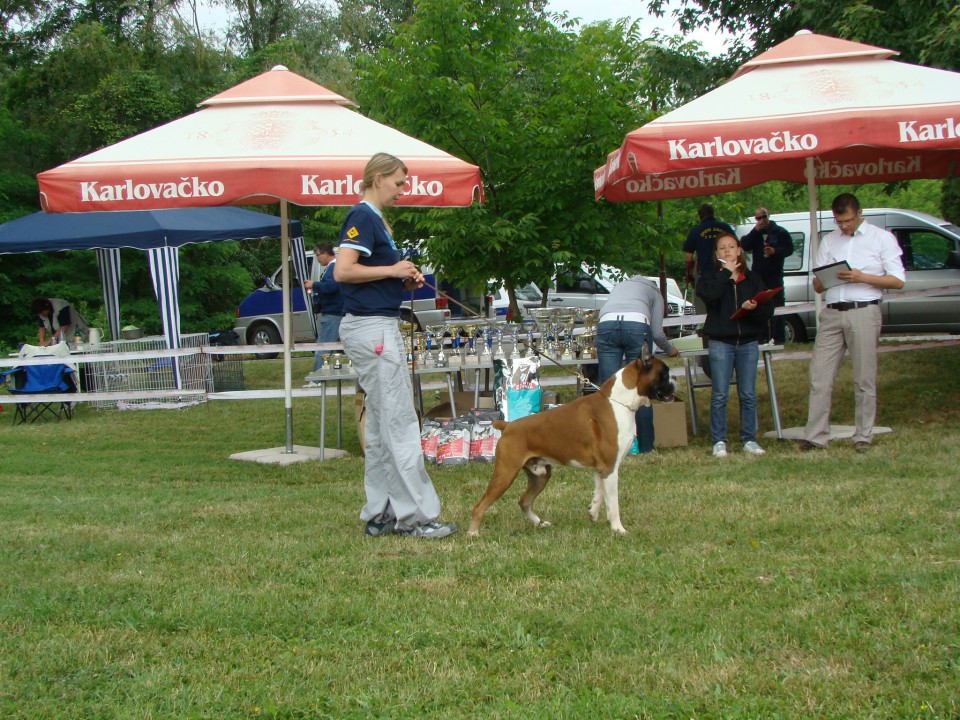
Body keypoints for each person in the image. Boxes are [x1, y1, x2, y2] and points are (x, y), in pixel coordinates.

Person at [333, 152, 456, 539]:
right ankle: (416, 517)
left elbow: (364, 275)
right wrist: (393, 269)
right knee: (400, 422)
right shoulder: (362, 216)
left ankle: (381, 512)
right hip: (373, 330)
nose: (403, 190)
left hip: (375, 324)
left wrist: (396, 282)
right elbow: (343, 270)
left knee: (382, 425)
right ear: (379, 177)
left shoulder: (375, 221)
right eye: (400, 182)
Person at [798, 193, 905, 453]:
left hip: (864, 309)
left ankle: (863, 435)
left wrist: (861, 277)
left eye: (846, 220)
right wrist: (825, 278)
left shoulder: (881, 238)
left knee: (864, 377)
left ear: (858, 213)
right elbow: (817, 284)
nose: (842, 226)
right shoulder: (829, 240)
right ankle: (815, 436)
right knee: (819, 376)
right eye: (838, 221)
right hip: (833, 310)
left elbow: (897, 280)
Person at [696, 233, 772, 458]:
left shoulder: (753, 278)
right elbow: (709, 296)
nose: (727, 251)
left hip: (748, 341)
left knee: (747, 393)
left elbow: (768, 310)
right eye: (722, 248)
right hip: (721, 341)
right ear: (716, 254)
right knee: (720, 393)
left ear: (740, 250)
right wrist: (726, 273)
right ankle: (719, 440)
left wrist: (754, 308)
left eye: (731, 247)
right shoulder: (710, 277)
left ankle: (749, 438)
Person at [596, 276, 680, 453]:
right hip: (637, 327)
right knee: (643, 388)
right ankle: (645, 447)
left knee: (607, 389)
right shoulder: (656, 294)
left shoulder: (619, 286)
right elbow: (657, 332)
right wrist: (669, 348)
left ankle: (607, 446)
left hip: (606, 325)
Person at [739, 206, 794, 344]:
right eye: (758, 218)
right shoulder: (755, 233)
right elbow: (744, 246)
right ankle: (761, 337)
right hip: (758, 276)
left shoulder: (780, 232)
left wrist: (775, 251)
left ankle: (779, 337)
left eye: (764, 217)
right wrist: (754, 231)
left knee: (778, 306)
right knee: (759, 306)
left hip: (774, 275)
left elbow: (789, 249)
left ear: (768, 216)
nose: (762, 220)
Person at [304, 242, 343, 375]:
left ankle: (316, 377)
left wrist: (314, 284)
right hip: (336, 311)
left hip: (332, 312)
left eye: (318, 255)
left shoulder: (333, 268)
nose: (317, 258)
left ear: (326, 253)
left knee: (323, 346)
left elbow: (331, 287)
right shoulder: (334, 267)